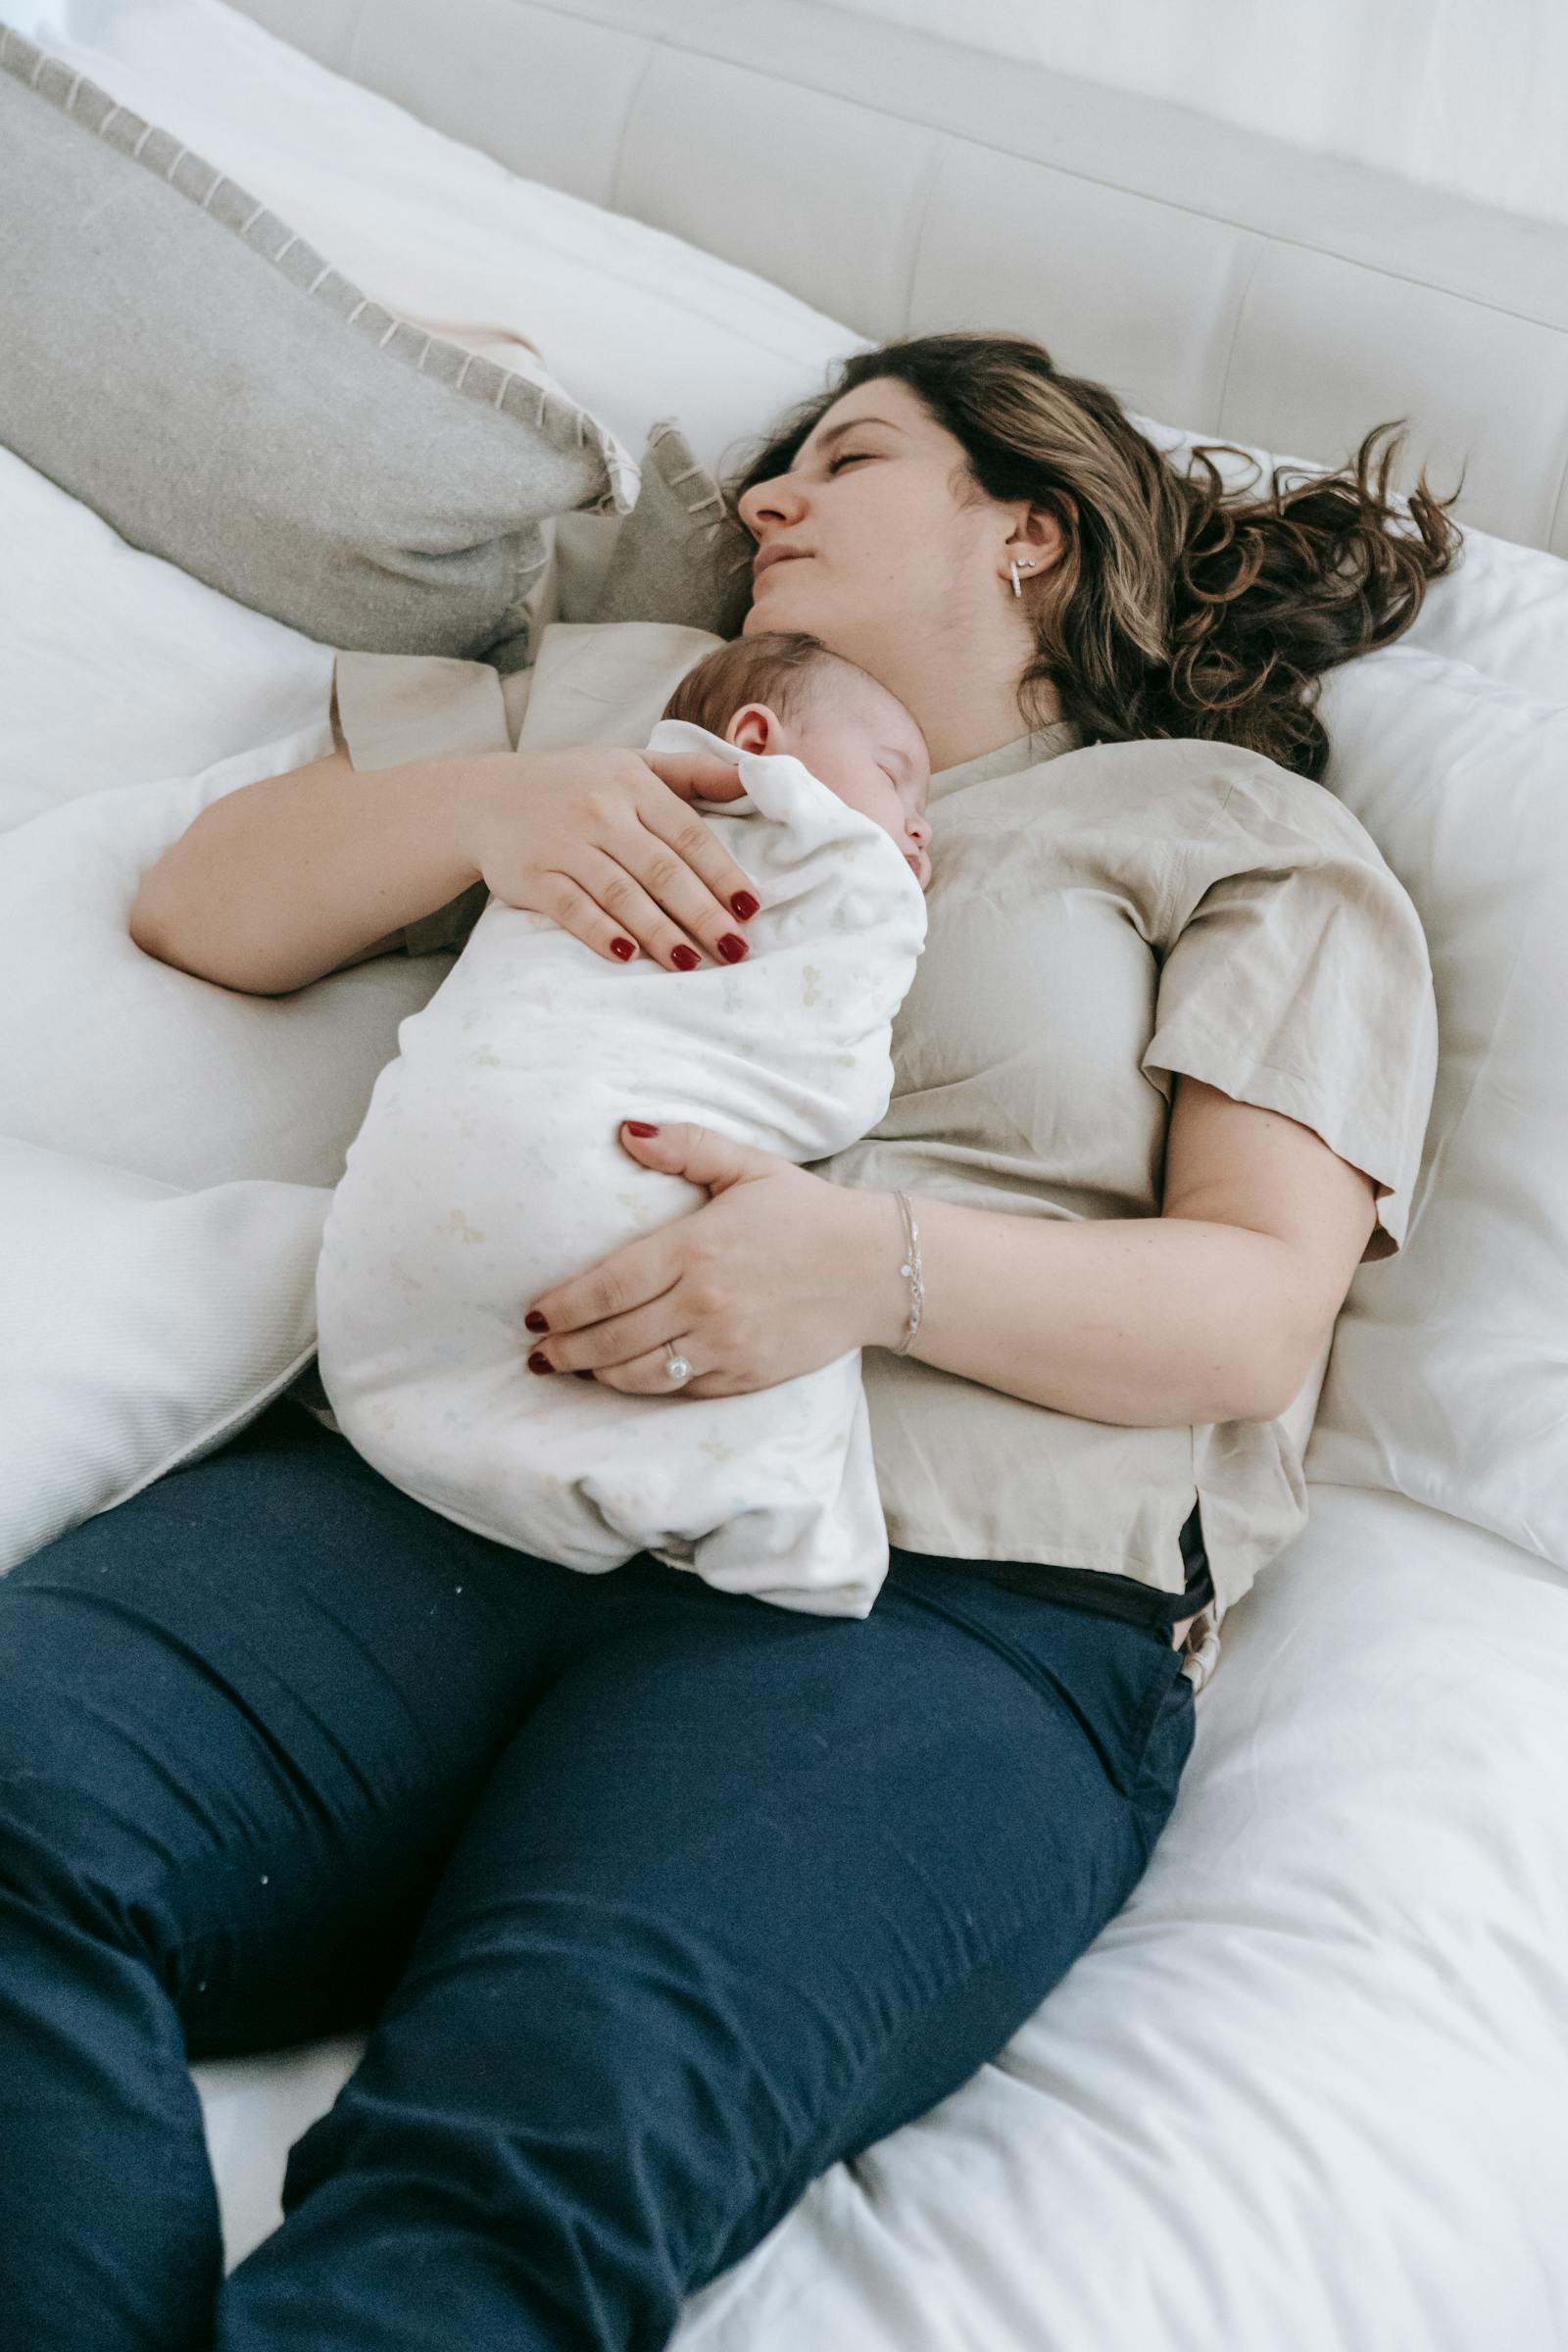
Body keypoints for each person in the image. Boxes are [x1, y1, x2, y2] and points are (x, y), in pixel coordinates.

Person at [3, 330, 1451, 2352]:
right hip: (449, 1483)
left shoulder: (1223, 833)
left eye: (843, 461)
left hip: (929, 1611)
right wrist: (500, 805)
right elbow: (202, 912)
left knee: (540, 2128)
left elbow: (1248, 1309)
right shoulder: (633, 711)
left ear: (1025, 532)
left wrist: (867, 1269)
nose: (764, 504)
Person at [314, 631, 932, 1615]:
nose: (918, 826)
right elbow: (832, 1078)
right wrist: (478, 806)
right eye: (898, 777)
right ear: (756, 741)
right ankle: (789, 1552)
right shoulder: (802, 846)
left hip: (423, 1190)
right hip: (589, 1161)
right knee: (787, 1453)